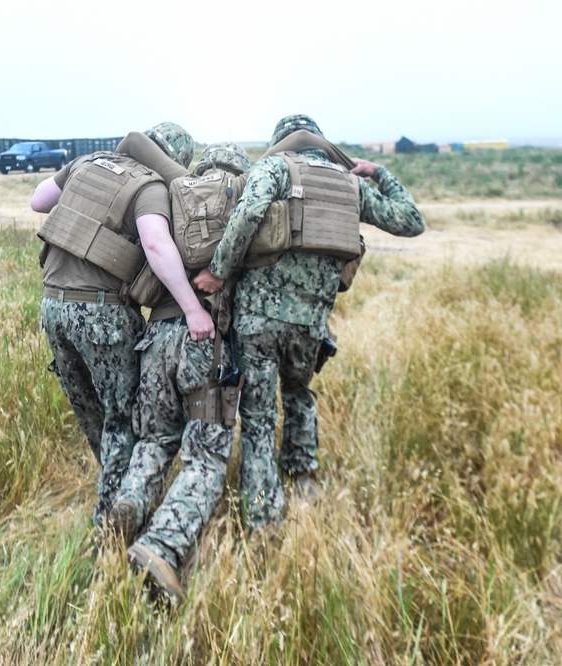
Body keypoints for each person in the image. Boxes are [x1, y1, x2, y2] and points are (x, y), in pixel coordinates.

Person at [105, 130, 359, 602]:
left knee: (155, 438)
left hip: (155, 340)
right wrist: (344, 161)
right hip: (204, 345)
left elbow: (135, 142)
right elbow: (297, 140)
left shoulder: (174, 190)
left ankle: (126, 504)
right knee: (205, 457)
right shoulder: (247, 194)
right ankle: (161, 546)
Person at [193, 114, 426, 529]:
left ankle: (263, 517)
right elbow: (411, 221)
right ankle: (303, 482)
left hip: (259, 320)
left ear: (283, 141)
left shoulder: (277, 167)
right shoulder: (351, 184)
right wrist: (380, 173)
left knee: (260, 417)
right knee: (299, 394)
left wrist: (219, 271)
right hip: (311, 322)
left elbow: (247, 215)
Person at [29, 121, 214, 525]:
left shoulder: (85, 162)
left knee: (90, 410)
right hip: (102, 315)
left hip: (52, 307)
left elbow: (38, 201)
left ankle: (114, 484)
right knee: (122, 419)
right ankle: (112, 519)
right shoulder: (149, 187)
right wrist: (193, 309)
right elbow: (155, 244)